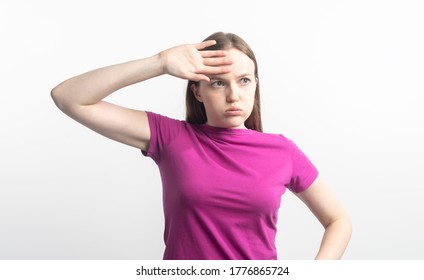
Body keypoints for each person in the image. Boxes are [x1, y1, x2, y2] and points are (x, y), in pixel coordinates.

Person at [51, 32, 352, 260]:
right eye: (219, 83)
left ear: (256, 85)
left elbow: (338, 221)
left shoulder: (282, 151)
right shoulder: (169, 137)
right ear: (197, 90)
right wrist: (158, 63)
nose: (234, 95)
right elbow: (68, 97)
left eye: (244, 81)